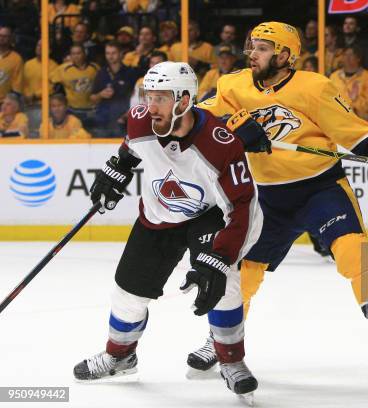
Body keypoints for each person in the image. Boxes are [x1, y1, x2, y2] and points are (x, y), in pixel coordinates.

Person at [190, 21, 368, 385]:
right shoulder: (234, 85)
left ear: (285, 54)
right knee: (240, 274)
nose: (252, 54)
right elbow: (201, 120)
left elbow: (358, 136)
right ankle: (221, 342)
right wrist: (233, 123)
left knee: (356, 254)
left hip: (319, 190)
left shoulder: (314, 87)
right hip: (265, 198)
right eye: (252, 47)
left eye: (261, 47)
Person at [72, 61, 263, 400]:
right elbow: (132, 147)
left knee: (226, 283)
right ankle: (120, 356)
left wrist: (219, 258)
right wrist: (118, 168)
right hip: (158, 216)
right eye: (148, 96)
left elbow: (243, 206)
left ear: (185, 101)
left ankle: (231, 360)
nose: (150, 106)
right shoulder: (140, 120)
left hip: (208, 216)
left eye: (160, 98)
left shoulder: (220, 144)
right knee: (127, 293)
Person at [90, 41, 138, 137]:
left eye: (113, 53)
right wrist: (100, 94)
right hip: (102, 121)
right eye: (108, 53)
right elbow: (92, 98)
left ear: (121, 54)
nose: (110, 56)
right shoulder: (101, 73)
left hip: (122, 122)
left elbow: (136, 99)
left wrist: (126, 116)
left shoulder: (130, 73)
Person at [50, 44, 99, 129]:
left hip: (91, 110)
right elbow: (50, 80)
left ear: (84, 53)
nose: (76, 56)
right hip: (72, 110)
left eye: (78, 53)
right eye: (73, 54)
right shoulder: (63, 69)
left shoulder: (94, 68)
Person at [329, 45, 368, 125]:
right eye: (345, 55)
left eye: (350, 55)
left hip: (360, 120)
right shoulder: (334, 76)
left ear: (358, 58)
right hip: (337, 117)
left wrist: (355, 100)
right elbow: (328, 98)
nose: (347, 58)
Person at [0, 26, 24, 101]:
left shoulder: (17, 59)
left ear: (10, 39)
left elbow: (17, 87)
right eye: (0, 35)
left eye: (5, 36)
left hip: (4, 103)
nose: (1, 38)